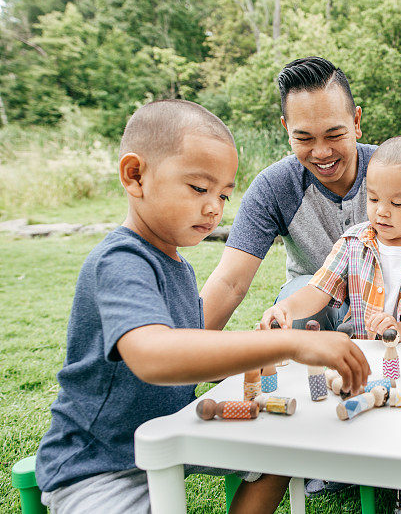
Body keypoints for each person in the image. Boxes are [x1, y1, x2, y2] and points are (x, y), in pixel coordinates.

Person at [35, 99, 370, 514]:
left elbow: (199, 357)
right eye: (198, 188)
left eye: (224, 195)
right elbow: (155, 356)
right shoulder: (120, 261)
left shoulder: (178, 267)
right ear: (135, 175)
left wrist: (268, 360)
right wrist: (288, 345)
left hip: (174, 434)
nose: (214, 207)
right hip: (103, 465)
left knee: (282, 450)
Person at [261, 135, 401, 514]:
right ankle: (342, 464)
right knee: (353, 402)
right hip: (364, 351)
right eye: (373, 199)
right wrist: (286, 309)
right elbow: (318, 290)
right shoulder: (354, 241)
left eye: (397, 203)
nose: (382, 212)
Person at [200, 56, 401, 336]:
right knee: (297, 293)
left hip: (400, 313)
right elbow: (229, 281)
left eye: (333, 135)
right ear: (287, 130)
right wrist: (186, 360)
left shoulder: (400, 170)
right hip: (317, 310)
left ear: (356, 121)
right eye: (305, 138)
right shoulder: (274, 186)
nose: (321, 153)